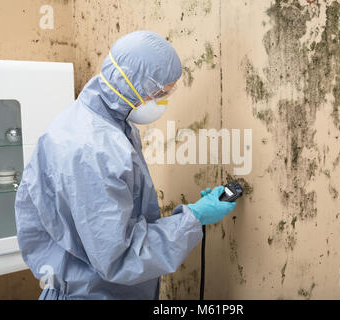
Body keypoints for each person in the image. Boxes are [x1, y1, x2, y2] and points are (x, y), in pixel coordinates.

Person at [14, 30, 237, 300]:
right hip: (89, 293)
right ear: (129, 84)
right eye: (159, 93)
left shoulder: (104, 120)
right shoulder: (94, 150)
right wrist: (192, 218)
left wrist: (190, 215)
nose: (162, 101)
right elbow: (119, 258)